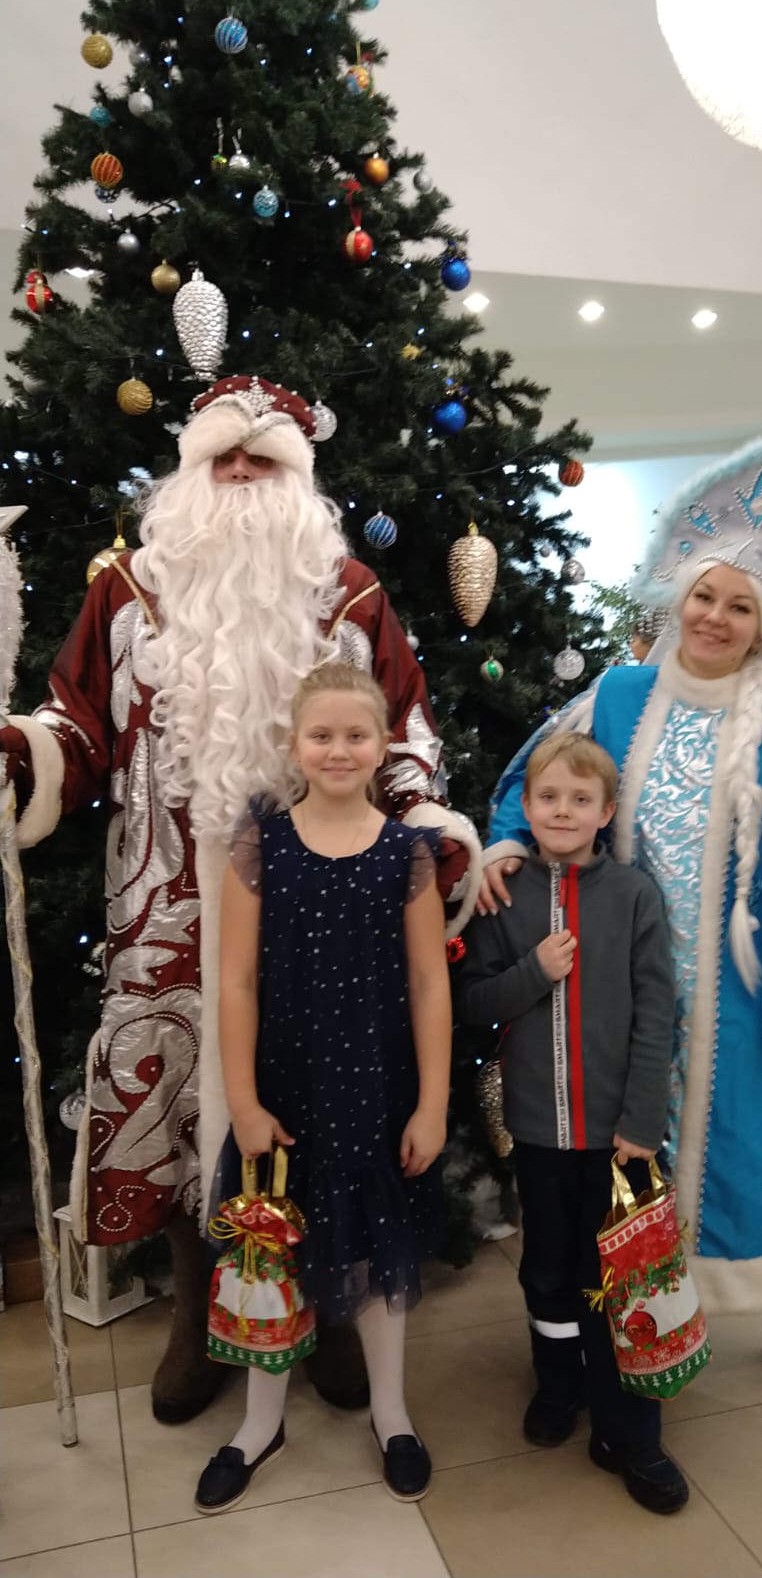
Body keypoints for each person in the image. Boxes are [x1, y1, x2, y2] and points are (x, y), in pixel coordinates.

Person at [0, 374, 479, 1424]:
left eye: (264, 460)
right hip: (164, 901)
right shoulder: (127, 589)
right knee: (181, 1111)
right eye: (224, 456)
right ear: (191, 470)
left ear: (297, 478)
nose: (243, 474)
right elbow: (77, 720)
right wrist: (24, 754)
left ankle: (327, 1306)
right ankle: (201, 1313)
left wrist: (428, 825)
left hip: (324, 910)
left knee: (324, 1102)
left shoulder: (349, 593)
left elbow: (404, 729)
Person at [479, 436, 762, 1411]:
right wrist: (504, 843)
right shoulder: (617, 696)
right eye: (705, 595)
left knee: (756, 1153)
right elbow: (535, 779)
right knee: (621, 1167)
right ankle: (637, 1321)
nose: (715, 616)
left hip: (740, 996)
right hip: (616, 992)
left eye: (739, 606)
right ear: (679, 597)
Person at [194, 662, 450, 1512]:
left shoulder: (405, 853)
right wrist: (243, 1101)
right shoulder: (261, 845)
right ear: (294, 743)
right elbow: (235, 982)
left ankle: (391, 1412)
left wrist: (432, 1104)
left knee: (379, 1253)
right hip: (286, 1092)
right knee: (270, 1249)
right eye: (321, 735)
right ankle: (259, 1421)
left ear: (382, 744)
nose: (338, 750)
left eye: (355, 735)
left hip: (377, 1091)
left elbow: (428, 984)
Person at [455, 729, 688, 1515]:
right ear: (525, 807)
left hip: (618, 1138)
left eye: (579, 799)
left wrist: (642, 1118)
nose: (562, 810)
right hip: (538, 1134)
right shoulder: (502, 895)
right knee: (548, 1270)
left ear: (605, 812)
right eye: (548, 797)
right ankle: (558, 1386)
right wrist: (534, 972)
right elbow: (472, 1001)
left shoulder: (633, 896)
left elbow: (655, 1013)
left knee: (619, 1278)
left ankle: (631, 1429)